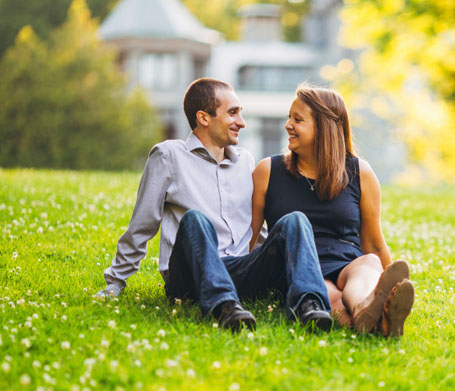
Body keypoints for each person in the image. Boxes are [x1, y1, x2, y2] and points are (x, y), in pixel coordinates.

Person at [95, 78, 332, 332]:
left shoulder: (245, 161)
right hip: (189, 277)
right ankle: (224, 307)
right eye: (232, 113)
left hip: (239, 270)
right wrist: (115, 282)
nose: (241, 122)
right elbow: (142, 226)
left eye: (240, 113)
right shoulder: (168, 156)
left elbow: (256, 229)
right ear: (204, 118)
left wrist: (270, 258)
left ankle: (309, 305)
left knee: (294, 220)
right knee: (195, 219)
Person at [248, 83, 414, 337]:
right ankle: (379, 322)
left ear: (324, 128)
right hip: (298, 266)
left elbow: (374, 243)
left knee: (368, 263)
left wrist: (395, 282)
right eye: (289, 118)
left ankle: (368, 307)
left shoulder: (360, 173)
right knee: (329, 294)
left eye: (298, 120)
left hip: (347, 262)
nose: (288, 126)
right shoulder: (268, 171)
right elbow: (249, 237)